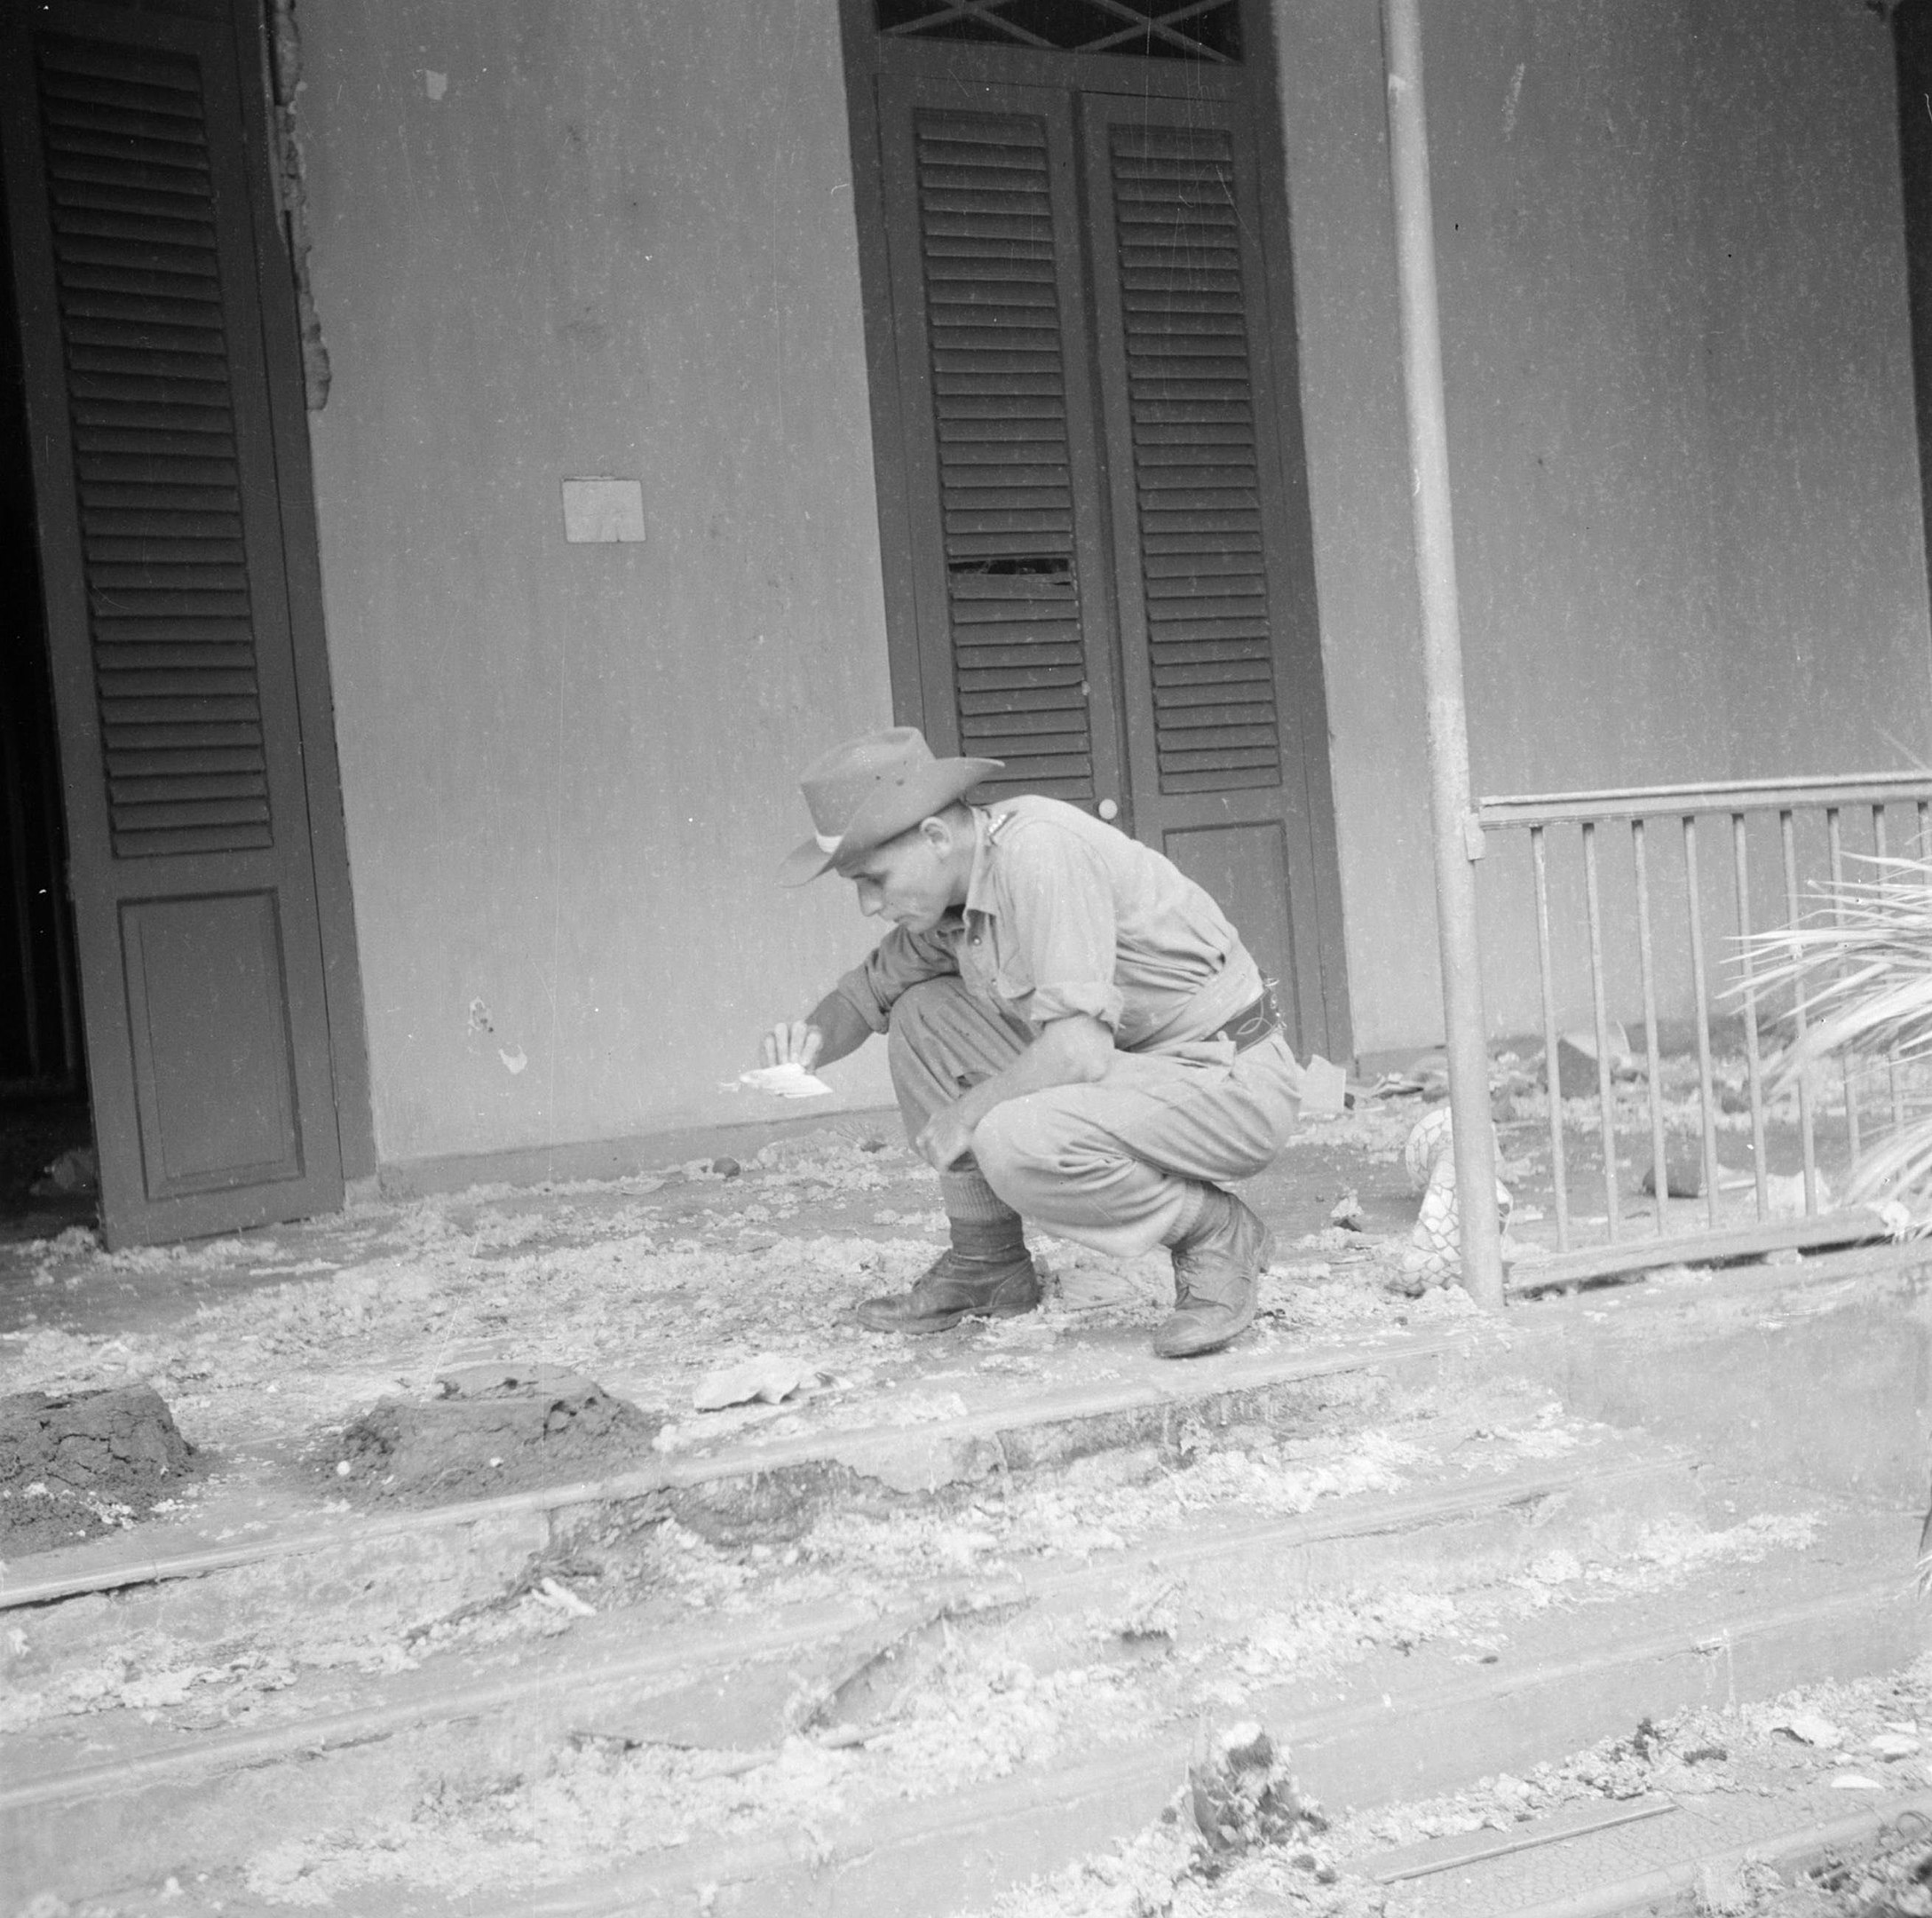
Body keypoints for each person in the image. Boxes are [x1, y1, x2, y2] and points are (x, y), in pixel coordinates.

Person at [762, 726, 1303, 1359]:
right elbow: (865, 996)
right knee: (923, 1015)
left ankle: (1215, 1234)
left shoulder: (1039, 853)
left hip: (1226, 1077)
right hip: (1141, 1075)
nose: (866, 904)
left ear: (936, 837)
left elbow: (1078, 1050)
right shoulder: (953, 894)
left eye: (873, 879)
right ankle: (987, 1263)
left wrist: (967, 1112)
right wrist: (806, 1046)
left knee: (1011, 1136)